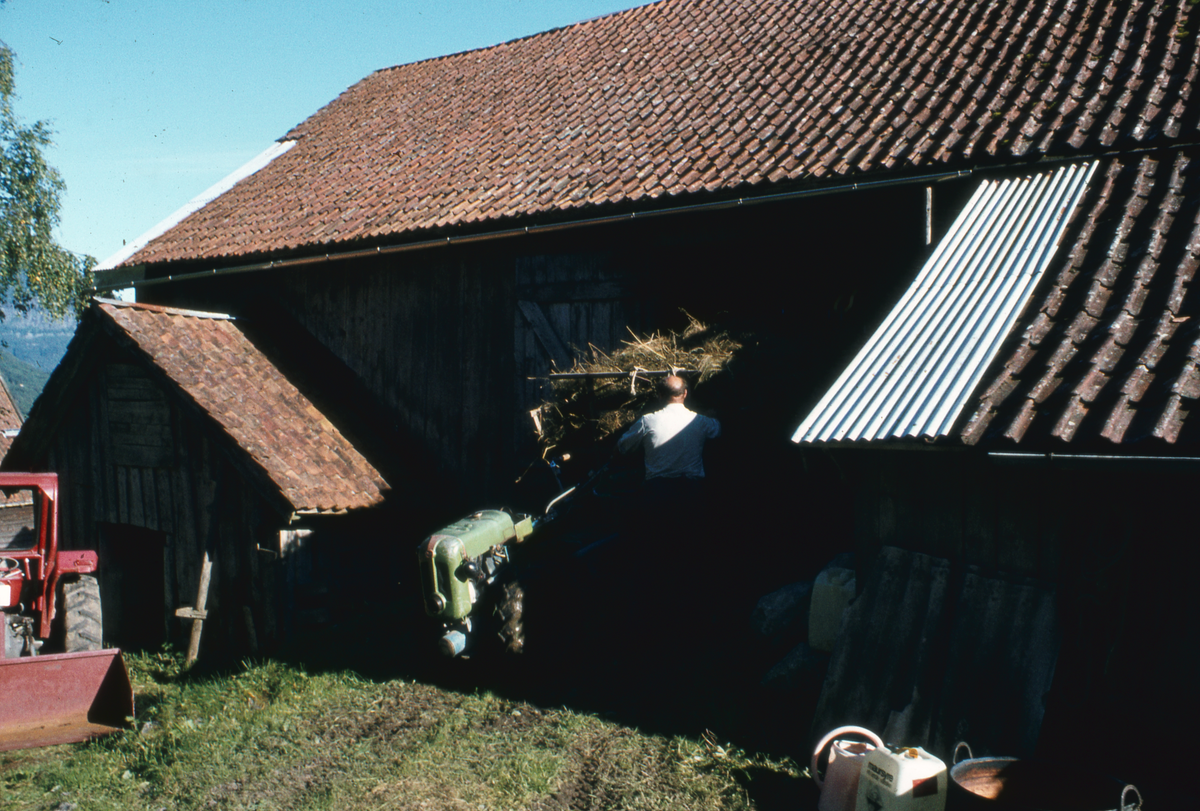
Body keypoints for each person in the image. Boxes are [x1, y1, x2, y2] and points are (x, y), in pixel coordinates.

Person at [617, 373, 720, 499]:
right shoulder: (701, 421)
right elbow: (717, 430)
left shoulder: (647, 421)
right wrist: (712, 415)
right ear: (685, 394)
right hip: (691, 491)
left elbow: (622, 446)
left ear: (660, 395)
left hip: (659, 491)